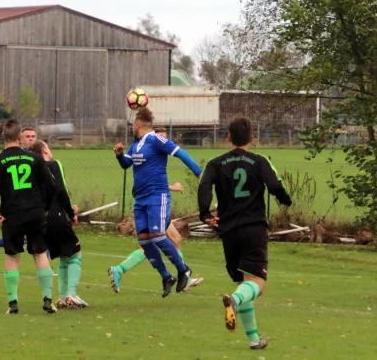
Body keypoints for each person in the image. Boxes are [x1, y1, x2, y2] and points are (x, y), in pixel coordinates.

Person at [198, 117, 292, 350]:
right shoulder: (259, 161)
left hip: (228, 231)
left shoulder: (215, 163)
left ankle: (254, 340)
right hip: (253, 228)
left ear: (228, 137)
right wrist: (284, 200)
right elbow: (275, 185)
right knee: (256, 284)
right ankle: (235, 300)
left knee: (244, 281)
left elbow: (204, 186)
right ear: (252, 137)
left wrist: (204, 213)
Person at [114, 108, 203, 297]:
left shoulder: (156, 139)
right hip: (141, 199)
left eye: (132, 125)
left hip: (157, 196)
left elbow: (181, 153)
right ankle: (166, 276)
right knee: (144, 241)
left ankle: (183, 270)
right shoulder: (136, 145)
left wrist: (199, 173)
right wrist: (120, 155)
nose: (132, 127)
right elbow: (126, 164)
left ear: (137, 125)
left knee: (157, 235)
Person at [0, 119, 58, 314]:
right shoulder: (34, 158)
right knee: (40, 253)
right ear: (20, 137)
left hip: (12, 214)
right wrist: (46, 207)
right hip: (35, 212)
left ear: (2, 136)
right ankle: (47, 301)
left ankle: (13, 303)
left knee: (12, 256)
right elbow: (51, 184)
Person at [28, 139, 88, 309]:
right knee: (75, 252)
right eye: (48, 149)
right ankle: (72, 294)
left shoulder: (32, 170)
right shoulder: (54, 165)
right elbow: (61, 190)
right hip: (57, 216)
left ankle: (62, 297)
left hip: (41, 220)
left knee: (63, 256)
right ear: (45, 152)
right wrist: (70, 212)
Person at [0, 127, 38, 263]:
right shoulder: (10, 159)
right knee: (24, 244)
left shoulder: (37, 156)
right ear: (20, 137)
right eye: (28, 136)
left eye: (33, 136)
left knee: (37, 237)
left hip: (33, 208)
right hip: (19, 208)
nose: (31, 139)